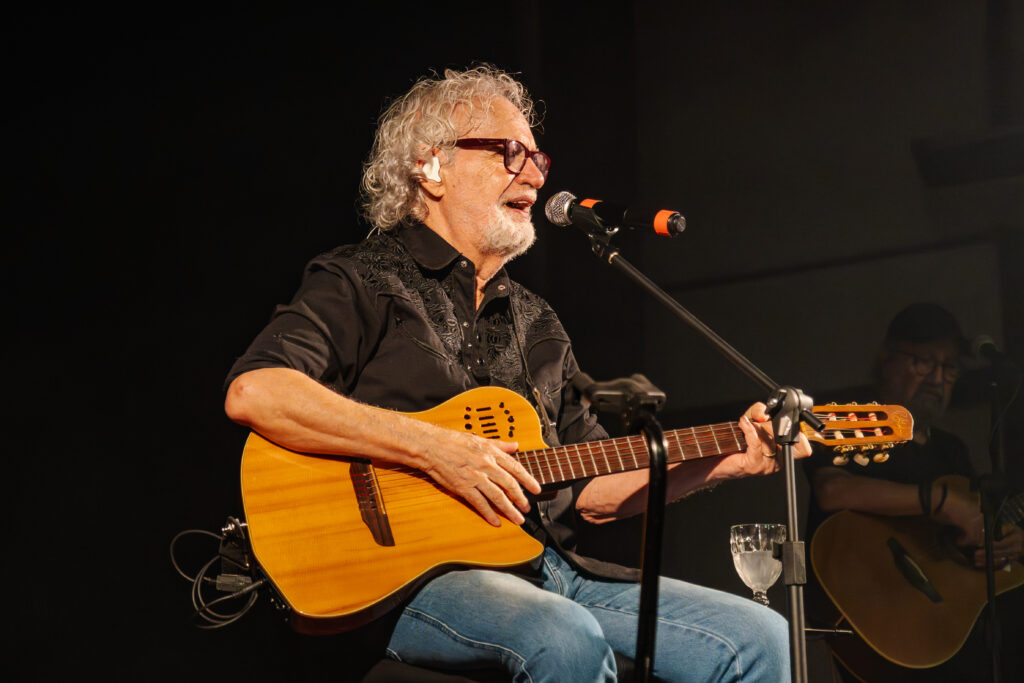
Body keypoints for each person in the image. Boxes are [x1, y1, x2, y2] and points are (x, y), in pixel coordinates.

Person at [224, 65, 811, 683]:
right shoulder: (361, 280)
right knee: (562, 636)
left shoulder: (536, 322)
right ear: (431, 166)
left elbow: (590, 490)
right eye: (509, 153)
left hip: (543, 566)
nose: (532, 173)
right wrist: (436, 449)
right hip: (406, 577)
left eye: (537, 158)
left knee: (761, 637)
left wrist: (732, 457)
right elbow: (256, 390)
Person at [804, 302, 1023, 681]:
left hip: (948, 631)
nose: (938, 378)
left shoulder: (951, 450)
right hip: (880, 613)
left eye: (950, 367)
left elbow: (974, 530)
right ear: (887, 359)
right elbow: (832, 489)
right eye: (923, 361)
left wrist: (1009, 540)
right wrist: (939, 502)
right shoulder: (854, 422)